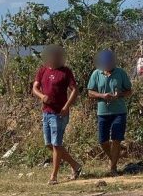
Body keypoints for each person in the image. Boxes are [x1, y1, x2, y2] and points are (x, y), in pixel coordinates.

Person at [31, 45, 81, 184]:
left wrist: (66, 107)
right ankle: (75, 165)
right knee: (49, 144)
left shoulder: (65, 72)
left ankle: (53, 176)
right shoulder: (42, 70)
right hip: (46, 112)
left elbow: (74, 90)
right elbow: (35, 87)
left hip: (59, 114)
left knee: (56, 144)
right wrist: (41, 96)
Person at [87, 50, 132, 176]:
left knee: (116, 139)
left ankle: (113, 168)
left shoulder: (121, 73)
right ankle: (114, 158)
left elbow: (129, 90)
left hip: (119, 111)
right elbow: (90, 92)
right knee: (103, 141)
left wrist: (120, 95)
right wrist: (102, 95)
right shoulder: (96, 74)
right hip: (103, 112)